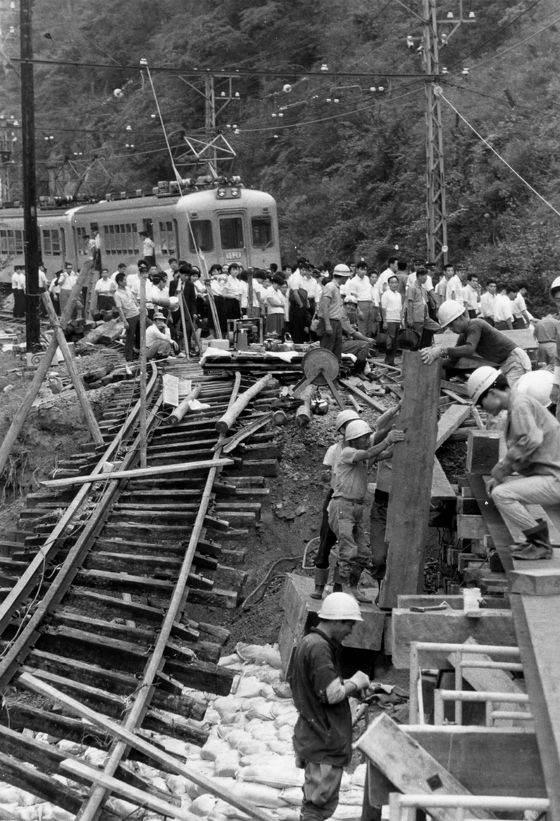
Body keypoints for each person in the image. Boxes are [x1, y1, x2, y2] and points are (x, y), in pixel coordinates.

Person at [287, 592, 370, 821]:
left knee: (314, 801)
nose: (351, 631)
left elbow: (320, 686)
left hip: (315, 735)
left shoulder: (310, 643)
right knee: (318, 806)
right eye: (349, 624)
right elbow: (332, 695)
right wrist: (356, 682)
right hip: (324, 740)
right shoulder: (320, 648)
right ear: (336, 620)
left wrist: (347, 684)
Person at [467, 366, 560, 560]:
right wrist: (500, 474)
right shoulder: (518, 405)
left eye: (482, 404)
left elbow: (531, 439)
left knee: (502, 495)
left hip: (555, 479)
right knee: (506, 490)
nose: (484, 410)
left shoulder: (519, 405)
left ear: (492, 393)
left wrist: (501, 469)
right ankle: (535, 540)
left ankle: (540, 544)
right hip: (552, 475)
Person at [328, 419, 403, 601]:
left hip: (356, 509)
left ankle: (352, 588)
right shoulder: (347, 453)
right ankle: (338, 591)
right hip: (342, 506)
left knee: (362, 553)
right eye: (364, 438)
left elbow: (385, 453)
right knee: (349, 551)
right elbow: (371, 452)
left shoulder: (362, 458)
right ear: (353, 440)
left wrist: (401, 438)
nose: (367, 440)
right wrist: (387, 439)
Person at [421, 300, 531, 386]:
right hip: (506, 363)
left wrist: (441, 350)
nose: (451, 329)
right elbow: (451, 362)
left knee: (508, 398)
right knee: (500, 395)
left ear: (461, 317)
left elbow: (470, 349)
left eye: (451, 325)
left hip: (516, 360)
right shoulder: (463, 337)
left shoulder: (475, 324)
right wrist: (432, 359)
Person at [114, 271, 141, 361]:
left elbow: (134, 300)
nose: (126, 282)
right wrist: (125, 321)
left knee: (141, 332)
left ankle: (138, 350)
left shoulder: (128, 289)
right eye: (124, 280)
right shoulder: (117, 294)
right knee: (130, 337)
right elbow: (120, 309)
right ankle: (128, 357)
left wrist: (140, 307)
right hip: (130, 317)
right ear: (120, 282)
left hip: (137, 313)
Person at [347, 262, 375, 337]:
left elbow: (370, 291)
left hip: (370, 304)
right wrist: (358, 311)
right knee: (362, 327)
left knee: (369, 327)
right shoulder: (353, 281)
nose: (363, 272)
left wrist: (373, 302)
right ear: (357, 270)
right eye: (362, 269)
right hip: (361, 304)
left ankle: (369, 345)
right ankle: (363, 345)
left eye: (365, 270)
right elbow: (354, 298)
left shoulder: (366, 278)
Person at [380, 275, 403, 366]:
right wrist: (385, 321)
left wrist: (402, 320)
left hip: (397, 320)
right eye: (392, 282)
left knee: (395, 342)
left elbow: (400, 309)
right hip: (389, 320)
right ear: (389, 284)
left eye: (395, 282)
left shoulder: (399, 295)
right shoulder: (386, 294)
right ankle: (387, 360)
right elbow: (383, 309)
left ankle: (392, 360)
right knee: (389, 341)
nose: (394, 284)